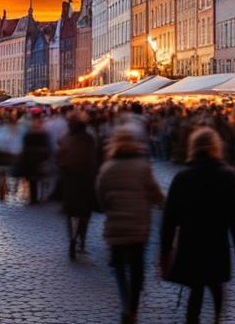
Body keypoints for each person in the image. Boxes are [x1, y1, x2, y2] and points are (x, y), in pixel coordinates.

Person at [160, 128, 235, 324]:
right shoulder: (227, 175)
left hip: (191, 238)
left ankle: (193, 319)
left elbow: (170, 216)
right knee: (216, 283)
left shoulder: (183, 176)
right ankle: (217, 317)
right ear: (216, 147)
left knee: (196, 284)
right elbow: (234, 210)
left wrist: (165, 248)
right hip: (216, 237)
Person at [97, 126, 165, 324]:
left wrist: (109, 209)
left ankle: (126, 304)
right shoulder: (142, 167)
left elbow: (100, 195)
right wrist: (160, 203)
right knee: (137, 267)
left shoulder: (108, 167)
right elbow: (155, 192)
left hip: (116, 225)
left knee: (117, 266)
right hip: (139, 226)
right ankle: (133, 309)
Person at [56, 115, 100, 259]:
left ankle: (72, 239)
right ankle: (81, 240)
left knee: (70, 214)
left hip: (70, 181)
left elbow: (59, 157)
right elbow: (95, 158)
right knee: (84, 214)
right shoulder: (88, 139)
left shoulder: (66, 138)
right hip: (86, 181)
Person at [16, 109, 53, 205]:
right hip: (39, 156)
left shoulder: (29, 129)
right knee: (38, 178)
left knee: (33, 178)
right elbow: (47, 144)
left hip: (31, 157)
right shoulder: (44, 129)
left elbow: (24, 143)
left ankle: (34, 199)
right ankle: (39, 197)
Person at [0, 109, 22, 202]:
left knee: (1, 174)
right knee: (6, 173)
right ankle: (7, 187)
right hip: (9, 156)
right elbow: (18, 144)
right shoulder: (15, 130)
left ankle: (1, 190)